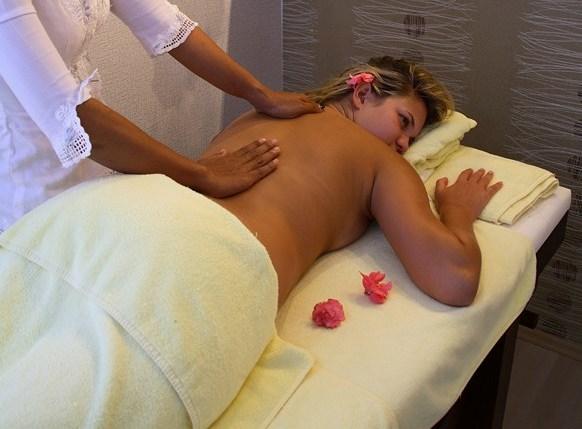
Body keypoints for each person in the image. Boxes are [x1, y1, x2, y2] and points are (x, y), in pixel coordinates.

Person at [0, 0, 322, 233]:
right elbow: (73, 115)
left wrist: (259, 94)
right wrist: (201, 174)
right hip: (28, 181)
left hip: (93, 157)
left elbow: (168, 24)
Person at [205, 56, 503, 307]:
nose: (403, 144)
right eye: (403, 121)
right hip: (226, 271)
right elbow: (456, 281)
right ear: (362, 94)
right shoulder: (380, 159)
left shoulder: (259, 113)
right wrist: (458, 211)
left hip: (177, 217)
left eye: (412, 140)